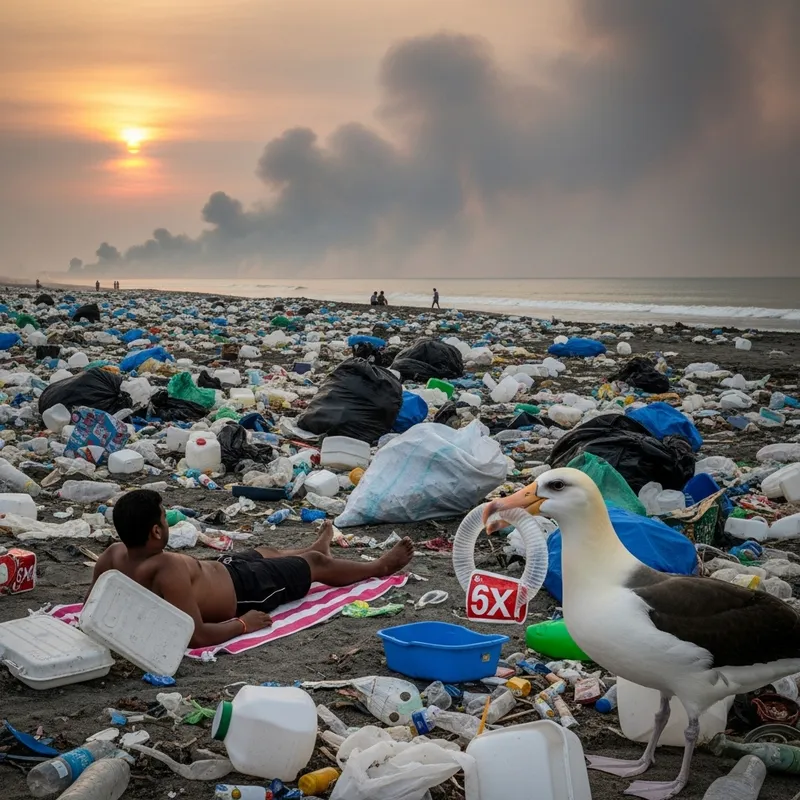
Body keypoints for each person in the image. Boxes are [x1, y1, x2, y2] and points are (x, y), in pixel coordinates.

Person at [87, 489, 414, 648]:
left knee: (266, 552)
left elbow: (91, 608)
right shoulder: (166, 569)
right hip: (246, 591)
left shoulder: (114, 555)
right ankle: (378, 566)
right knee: (314, 566)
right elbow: (196, 635)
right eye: (164, 517)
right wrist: (243, 624)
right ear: (157, 531)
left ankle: (314, 548)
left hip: (224, 569)